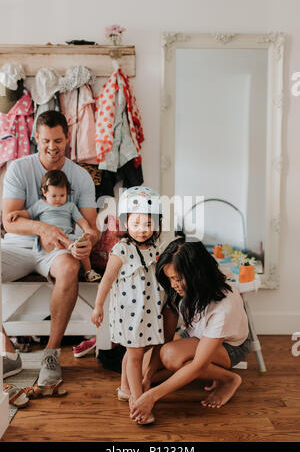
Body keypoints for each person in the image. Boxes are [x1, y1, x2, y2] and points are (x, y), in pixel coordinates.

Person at [1, 110, 99, 390]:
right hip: (18, 247)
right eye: (46, 141)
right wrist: (43, 229)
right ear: (35, 138)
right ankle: (8, 353)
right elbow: (9, 222)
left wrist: (86, 243)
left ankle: (51, 355)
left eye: (58, 140)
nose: (52, 147)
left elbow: (90, 227)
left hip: (58, 251)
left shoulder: (80, 176)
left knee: (69, 268)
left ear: (67, 138)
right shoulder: (18, 168)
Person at [130, 237, 250, 424]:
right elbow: (164, 338)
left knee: (170, 356)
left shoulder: (223, 306)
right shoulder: (177, 292)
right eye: (169, 278)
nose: (173, 285)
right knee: (146, 366)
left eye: (177, 279)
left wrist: (152, 396)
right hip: (196, 335)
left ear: (197, 274)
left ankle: (229, 379)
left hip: (229, 346)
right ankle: (165, 374)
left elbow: (198, 364)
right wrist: (148, 378)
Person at [91, 186, 164, 424]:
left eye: (147, 223)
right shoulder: (121, 249)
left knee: (137, 352)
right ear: (125, 224)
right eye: (136, 223)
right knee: (134, 356)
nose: (142, 229)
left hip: (148, 311)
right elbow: (107, 281)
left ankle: (124, 388)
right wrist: (98, 306)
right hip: (128, 313)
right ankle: (137, 398)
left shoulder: (155, 248)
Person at [6, 169, 101, 282]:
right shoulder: (40, 205)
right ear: (44, 192)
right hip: (48, 239)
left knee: (82, 246)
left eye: (62, 195)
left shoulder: (70, 206)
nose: (58, 199)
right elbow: (28, 213)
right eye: (54, 195)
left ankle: (88, 271)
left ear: (67, 192)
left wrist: (88, 229)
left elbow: (80, 220)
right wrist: (18, 213)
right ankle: (71, 246)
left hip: (67, 237)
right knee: (66, 243)